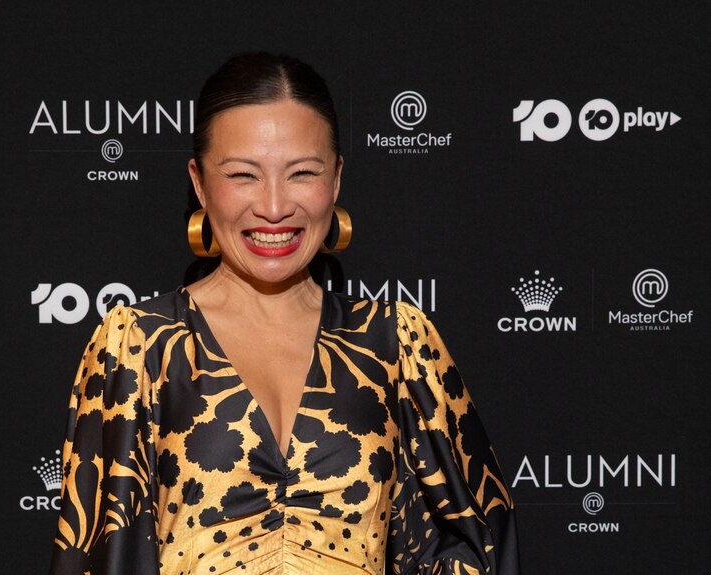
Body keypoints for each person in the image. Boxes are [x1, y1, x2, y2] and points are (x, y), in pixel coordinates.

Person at [49, 52, 520, 575]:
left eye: (301, 173)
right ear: (201, 183)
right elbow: (98, 554)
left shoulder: (397, 342)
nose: (274, 208)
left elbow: (475, 547)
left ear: (336, 180)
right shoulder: (138, 345)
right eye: (243, 175)